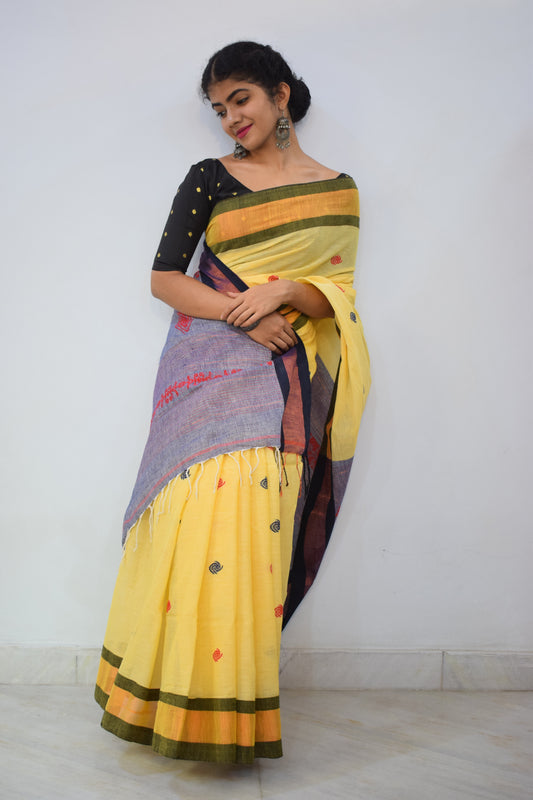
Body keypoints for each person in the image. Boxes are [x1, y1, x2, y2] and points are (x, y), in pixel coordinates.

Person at [95, 41, 371, 764]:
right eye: (218, 109)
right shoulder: (209, 178)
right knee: (202, 521)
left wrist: (285, 292)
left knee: (254, 532)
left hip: (289, 380)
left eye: (239, 99)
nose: (230, 119)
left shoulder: (338, 189)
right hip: (212, 372)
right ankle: (166, 700)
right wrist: (243, 313)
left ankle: (227, 714)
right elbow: (165, 277)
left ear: (280, 94)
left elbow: (338, 294)